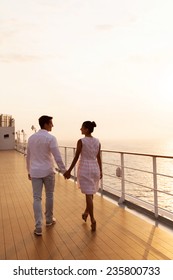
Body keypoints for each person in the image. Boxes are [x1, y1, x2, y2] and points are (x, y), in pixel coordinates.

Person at [26, 115, 68, 236]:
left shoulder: (31, 138)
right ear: (45, 124)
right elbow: (57, 156)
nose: (52, 125)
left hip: (35, 171)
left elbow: (28, 156)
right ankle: (49, 219)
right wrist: (64, 171)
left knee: (36, 198)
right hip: (48, 171)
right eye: (51, 123)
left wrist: (29, 170)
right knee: (49, 195)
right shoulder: (51, 138)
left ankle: (38, 226)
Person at [64, 121, 102, 231]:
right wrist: (100, 170)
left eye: (82, 128)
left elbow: (76, 157)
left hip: (85, 168)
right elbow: (98, 157)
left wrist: (69, 170)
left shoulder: (81, 141)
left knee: (88, 194)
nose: (80, 129)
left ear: (86, 129)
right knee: (90, 193)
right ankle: (86, 212)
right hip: (95, 167)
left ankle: (93, 219)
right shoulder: (97, 141)